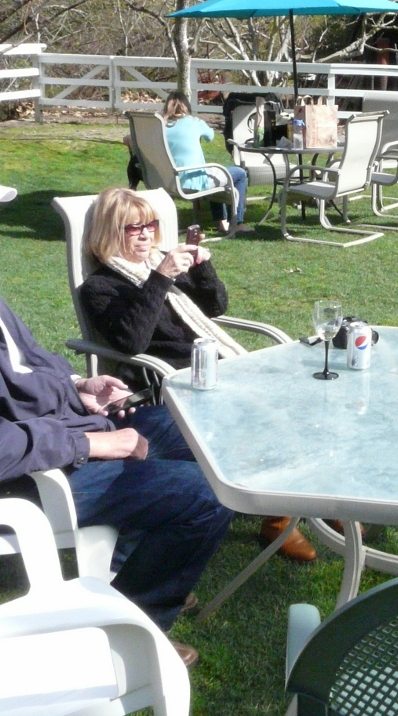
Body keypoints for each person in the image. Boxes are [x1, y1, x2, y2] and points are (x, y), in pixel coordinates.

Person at [0, 155, 234, 666]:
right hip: (19, 483)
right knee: (204, 493)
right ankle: (134, 625)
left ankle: (147, 565)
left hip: (50, 438)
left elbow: (23, 370)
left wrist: (78, 386)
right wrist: (93, 442)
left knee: (197, 433)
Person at [78, 186, 316, 562]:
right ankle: (278, 517)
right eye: (132, 228)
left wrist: (201, 266)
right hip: (170, 379)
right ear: (109, 232)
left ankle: (296, 502)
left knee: (296, 396)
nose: (145, 234)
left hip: (212, 363)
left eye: (150, 225)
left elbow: (216, 306)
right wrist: (160, 277)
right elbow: (132, 341)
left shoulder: (158, 263)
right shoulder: (100, 287)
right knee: (262, 410)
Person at [162, 90, 248, 236]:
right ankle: (237, 222)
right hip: (193, 181)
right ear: (187, 106)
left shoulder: (160, 127)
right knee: (239, 174)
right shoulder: (195, 122)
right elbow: (210, 136)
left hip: (167, 181)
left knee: (216, 174)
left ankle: (222, 221)